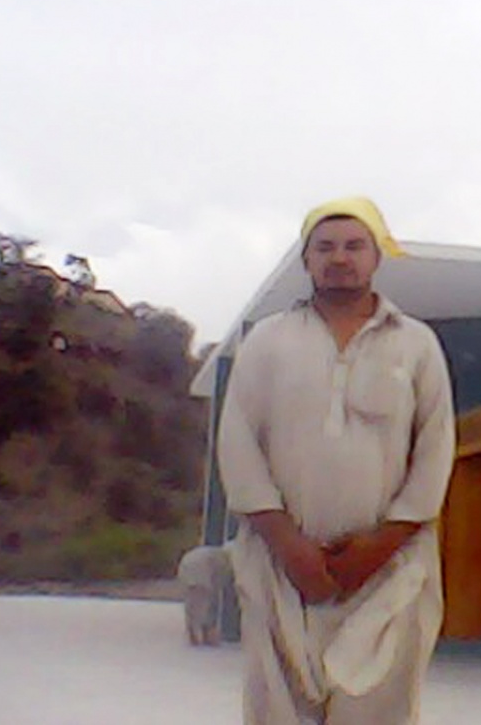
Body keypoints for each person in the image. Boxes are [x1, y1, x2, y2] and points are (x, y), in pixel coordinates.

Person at [217, 196, 456, 725]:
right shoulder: (268, 339)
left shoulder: (416, 344)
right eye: (324, 247)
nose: (339, 257)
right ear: (306, 260)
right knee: (277, 710)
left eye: (354, 246)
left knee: (378, 709)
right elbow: (237, 443)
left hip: (388, 570)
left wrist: (376, 548)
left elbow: (436, 448)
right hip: (282, 568)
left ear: (376, 258)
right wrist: (290, 547)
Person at [177, 543, 232, 646]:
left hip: (186, 564)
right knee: (206, 604)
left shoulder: (214, 552)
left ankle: (192, 632)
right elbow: (220, 582)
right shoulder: (225, 559)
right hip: (202, 572)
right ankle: (207, 635)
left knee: (192, 603)